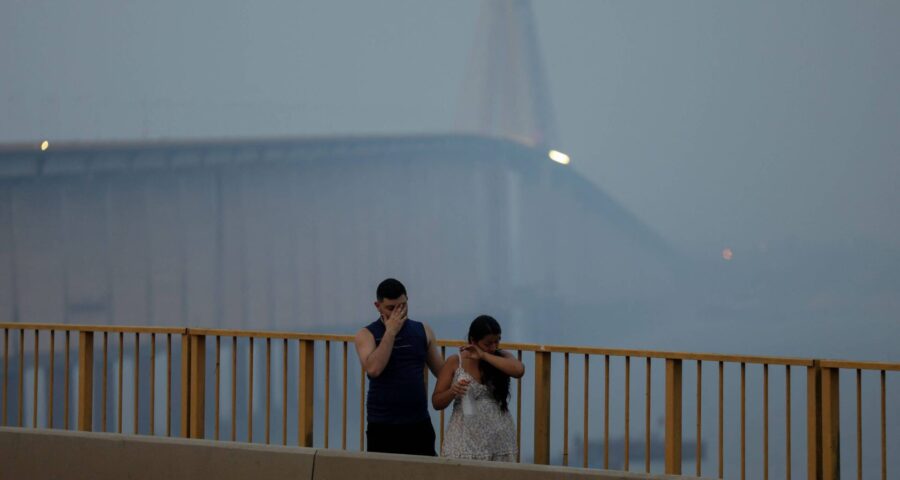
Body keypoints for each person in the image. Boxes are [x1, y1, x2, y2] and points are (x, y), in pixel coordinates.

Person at [354, 278, 444, 455]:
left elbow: (441, 371)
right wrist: (390, 332)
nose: (398, 312)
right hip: (383, 424)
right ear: (377, 306)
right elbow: (373, 369)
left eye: (402, 306)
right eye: (391, 308)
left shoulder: (422, 330)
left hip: (418, 421)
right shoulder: (366, 334)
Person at [432, 315, 525, 462]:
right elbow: (436, 402)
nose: (494, 347)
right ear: (473, 341)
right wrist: (452, 391)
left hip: (498, 436)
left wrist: (484, 355)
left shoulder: (500, 357)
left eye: (497, 341)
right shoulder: (456, 362)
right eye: (488, 344)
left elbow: (518, 370)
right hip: (465, 436)